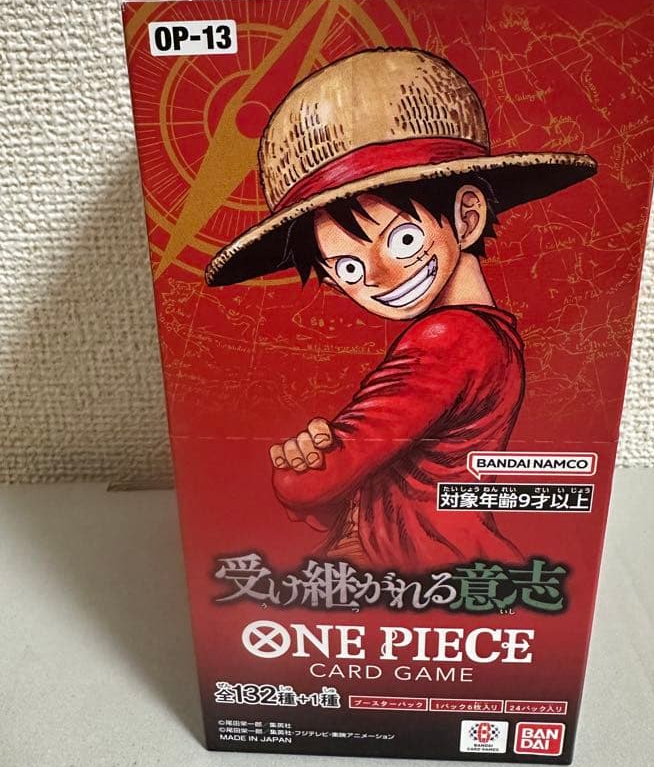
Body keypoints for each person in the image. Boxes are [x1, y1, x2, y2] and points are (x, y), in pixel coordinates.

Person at [205, 47, 596, 570]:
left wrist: (298, 471)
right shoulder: (490, 335)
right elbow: (376, 485)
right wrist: (319, 462)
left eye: (403, 239)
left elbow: (314, 484)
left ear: (467, 216)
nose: (380, 278)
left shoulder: (449, 341)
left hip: (414, 570)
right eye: (348, 268)